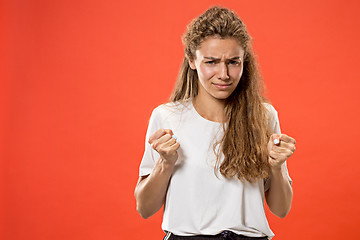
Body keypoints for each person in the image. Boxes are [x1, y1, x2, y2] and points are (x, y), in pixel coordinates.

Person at [134, 6, 296, 240]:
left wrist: (276, 165)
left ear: (244, 61)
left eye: (233, 62)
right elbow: (145, 208)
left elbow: (281, 210)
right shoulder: (167, 117)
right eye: (211, 61)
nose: (224, 74)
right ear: (192, 60)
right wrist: (165, 164)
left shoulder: (264, 116)